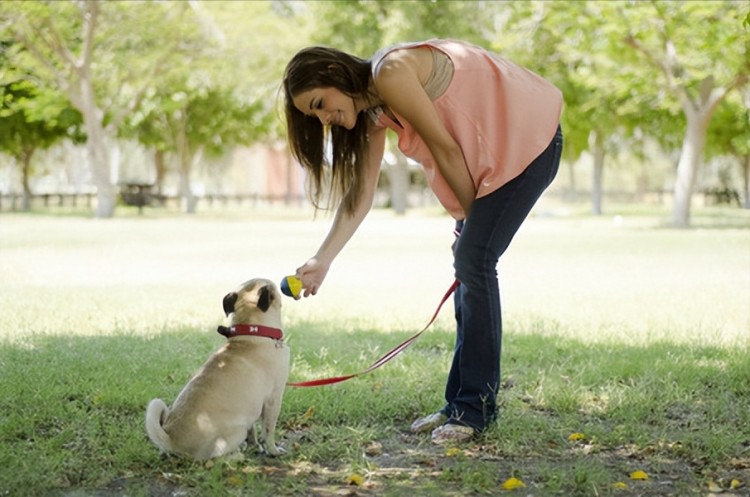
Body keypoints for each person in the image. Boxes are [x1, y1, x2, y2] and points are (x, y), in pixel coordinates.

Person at [282, 39, 563, 444]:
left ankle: (474, 410)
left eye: (319, 104)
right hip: (491, 160)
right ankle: (459, 405)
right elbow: (359, 196)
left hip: (529, 141)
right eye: (315, 115)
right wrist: (322, 260)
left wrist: (470, 225)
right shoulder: (374, 111)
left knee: (473, 261)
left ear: (332, 72)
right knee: (469, 265)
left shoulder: (390, 73)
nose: (324, 119)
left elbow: (446, 149)